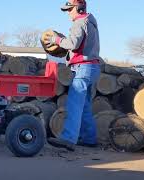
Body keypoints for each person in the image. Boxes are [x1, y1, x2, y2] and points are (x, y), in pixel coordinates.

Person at [43, 0, 102, 151]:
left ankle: (68, 138)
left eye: (69, 9)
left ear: (79, 7)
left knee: (74, 104)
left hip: (84, 68)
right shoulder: (90, 21)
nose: (68, 13)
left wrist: (56, 40)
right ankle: (89, 138)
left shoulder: (79, 22)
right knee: (86, 106)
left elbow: (73, 44)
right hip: (93, 67)